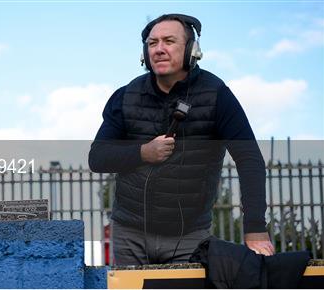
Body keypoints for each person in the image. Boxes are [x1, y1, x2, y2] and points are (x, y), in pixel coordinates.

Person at [88, 14, 274, 265]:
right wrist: (143, 152)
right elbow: (97, 157)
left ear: (191, 50)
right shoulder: (125, 96)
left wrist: (255, 229)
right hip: (129, 234)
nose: (159, 49)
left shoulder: (217, 95)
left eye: (169, 41)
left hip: (190, 237)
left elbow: (249, 159)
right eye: (153, 43)